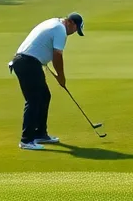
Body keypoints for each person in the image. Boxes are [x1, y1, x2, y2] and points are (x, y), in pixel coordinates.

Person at [10, 13, 84, 151]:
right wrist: (61, 77)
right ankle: (26, 140)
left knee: (44, 96)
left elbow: (43, 49)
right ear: (69, 22)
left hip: (28, 62)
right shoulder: (60, 29)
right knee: (34, 100)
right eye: (75, 29)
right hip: (27, 62)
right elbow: (57, 55)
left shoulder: (54, 23)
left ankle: (40, 133)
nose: (73, 32)